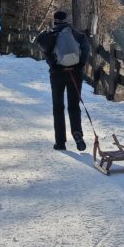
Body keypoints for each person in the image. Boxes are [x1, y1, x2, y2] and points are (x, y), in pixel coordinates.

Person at [36, 10, 90, 151]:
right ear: (66, 19)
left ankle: (60, 142)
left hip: (57, 74)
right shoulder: (76, 33)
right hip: (75, 74)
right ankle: (77, 134)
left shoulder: (51, 34)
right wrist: (80, 64)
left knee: (58, 107)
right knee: (74, 106)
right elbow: (85, 47)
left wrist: (54, 64)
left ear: (54, 20)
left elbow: (46, 51)